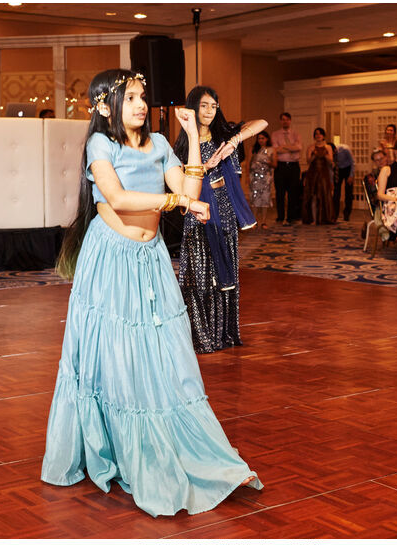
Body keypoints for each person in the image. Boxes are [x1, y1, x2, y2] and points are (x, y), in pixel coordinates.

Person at [41, 70, 261, 517]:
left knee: (163, 359)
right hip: (111, 261)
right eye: (132, 98)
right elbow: (118, 198)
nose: (141, 105)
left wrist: (192, 137)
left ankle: (182, 449)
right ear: (106, 107)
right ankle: (116, 448)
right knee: (114, 357)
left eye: (144, 97)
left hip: (152, 261)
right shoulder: (102, 145)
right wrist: (176, 203)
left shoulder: (160, 145)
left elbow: (192, 187)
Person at [173, 85, 265, 354]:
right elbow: (180, 181)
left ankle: (224, 334)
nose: (210, 111)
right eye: (204, 105)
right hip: (199, 210)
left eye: (214, 106)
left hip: (224, 209)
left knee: (225, 271)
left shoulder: (225, 135)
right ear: (193, 107)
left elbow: (261, 123)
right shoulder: (183, 145)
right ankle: (202, 337)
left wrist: (235, 142)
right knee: (199, 275)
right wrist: (205, 166)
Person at [271, 112, 303, 225]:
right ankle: (280, 217)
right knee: (280, 193)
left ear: (290, 121)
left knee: (293, 193)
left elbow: (299, 147)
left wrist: (283, 146)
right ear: (281, 121)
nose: (285, 121)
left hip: (294, 166)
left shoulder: (296, 134)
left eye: (287, 119)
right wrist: (291, 148)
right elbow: (275, 149)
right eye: (283, 119)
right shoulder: (275, 134)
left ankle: (291, 217)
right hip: (281, 166)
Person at [303, 127, 337, 225]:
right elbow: (308, 161)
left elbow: (331, 161)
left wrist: (324, 153)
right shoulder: (311, 147)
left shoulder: (328, 147)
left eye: (320, 134)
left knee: (324, 195)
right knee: (313, 196)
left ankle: (323, 218)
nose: (318, 136)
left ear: (323, 136)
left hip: (324, 174)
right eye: (316, 134)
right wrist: (314, 154)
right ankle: (313, 219)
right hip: (313, 173)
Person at [249, 130, 276, 229]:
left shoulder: (272, 150)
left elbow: (275, 164)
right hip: (255, 176)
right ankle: (254, 220)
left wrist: (268, 162)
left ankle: (264, 221)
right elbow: (249, 162)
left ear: (267, 139)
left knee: (265, 199)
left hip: (266, 176)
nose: (261, 140)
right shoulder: (253, 149)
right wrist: (249, 177)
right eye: (259, 138)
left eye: (263, 138)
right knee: (254, 198)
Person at [333, 141, 355, 221]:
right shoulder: (329, 152)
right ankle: (335, 214)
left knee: (348, 193)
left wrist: (351, 175)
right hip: (338, 169)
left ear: (335, 150)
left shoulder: (345, 149)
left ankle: (347, 214)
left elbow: (353, 162)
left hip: (348, 168)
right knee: (336, 193)